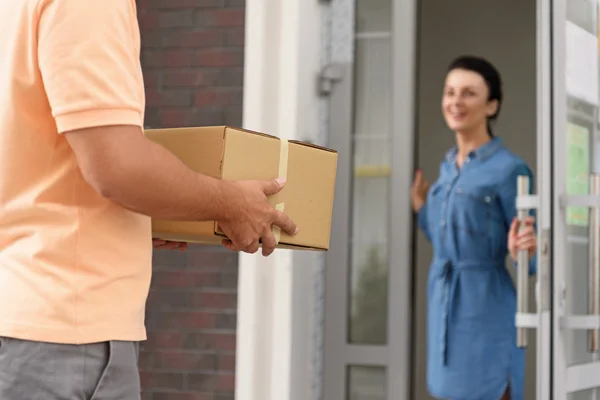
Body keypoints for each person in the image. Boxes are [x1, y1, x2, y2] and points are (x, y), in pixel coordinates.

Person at [0, 0, 298, 399]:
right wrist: (232, 203)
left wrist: (133, 220)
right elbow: (116, 166)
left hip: (25, 316)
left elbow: (35, 162)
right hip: (65, 332)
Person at [411, 55, 537, 400]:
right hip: (444, 306)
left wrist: (522, 251)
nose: (455, 101)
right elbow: (446, 237)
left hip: (486, 308)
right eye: (450, 92)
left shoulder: (511, 170)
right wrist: (422, 207)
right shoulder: (447, 168)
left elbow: (533, 249)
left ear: (491, 105)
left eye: (468, 93)